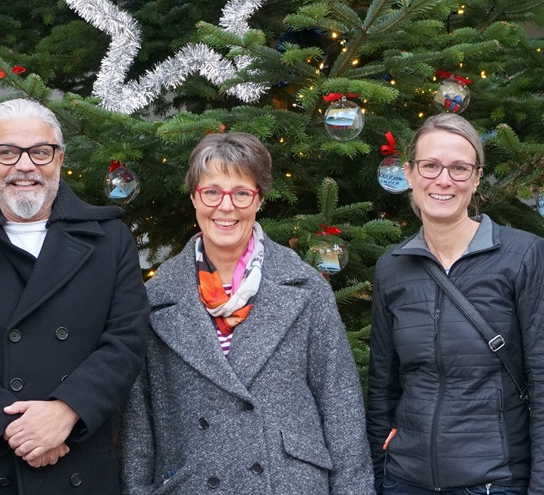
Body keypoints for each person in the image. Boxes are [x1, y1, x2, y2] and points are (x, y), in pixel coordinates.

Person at [0, 98, 150, 494]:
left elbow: (127, 338)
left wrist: (67, 410)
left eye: (40, 151)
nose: (25, 165)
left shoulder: (109, 238)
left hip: (80, 465)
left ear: (59, 158)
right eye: (7, 152)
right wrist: (16, 430)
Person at [119, 132, 375, 494]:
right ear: (194, 197)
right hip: (191, 483)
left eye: (241, 193)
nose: (226, 207)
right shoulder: (156, 297)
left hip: (288, 483)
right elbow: (138, 422)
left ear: (259, 200)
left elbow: (340, 404)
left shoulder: (304, 287)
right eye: (212, 192)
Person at [367, 113, 544, 495]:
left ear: (476, 179)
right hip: (405, 480)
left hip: (493, 482)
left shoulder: (523, 255)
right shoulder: (392, 268)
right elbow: (383, 387)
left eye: (459, 168)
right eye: (430, 166)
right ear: (409, 174)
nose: (443, 180)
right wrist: (379, 477)